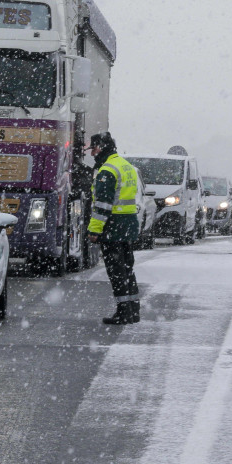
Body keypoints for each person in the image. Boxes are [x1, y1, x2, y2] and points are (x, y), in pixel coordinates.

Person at [86, 132, 142, 325]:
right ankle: (133, 310)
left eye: (93, 149)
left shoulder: (107, 171)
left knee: (116, 272)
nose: (92, 153)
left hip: (113, 228)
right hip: (128, 225)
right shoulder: (126, 166)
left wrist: (94, 230)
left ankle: (123, 312)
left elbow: (102, 205)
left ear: (101, 147)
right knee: (127, 268)